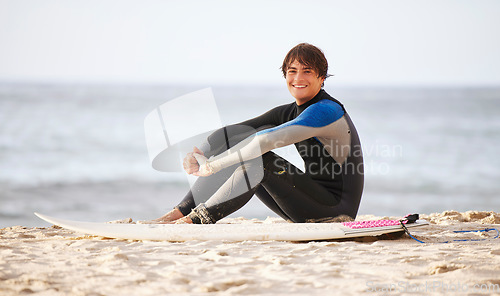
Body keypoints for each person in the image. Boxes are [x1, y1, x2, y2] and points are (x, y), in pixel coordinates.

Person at [151, 43, 364, 224]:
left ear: (322, 78)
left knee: (257, 157)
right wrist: (200, 153)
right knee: (245, 142)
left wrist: (212, 165)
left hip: (336, 212)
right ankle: (179, 212)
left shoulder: (326, 111)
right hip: (307, 204)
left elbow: (265, 141)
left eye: (307, 71)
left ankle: (194, 220)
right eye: (292, 71)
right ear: (285, 75)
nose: (298, 78)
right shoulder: (290, 111)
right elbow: (236, 132)